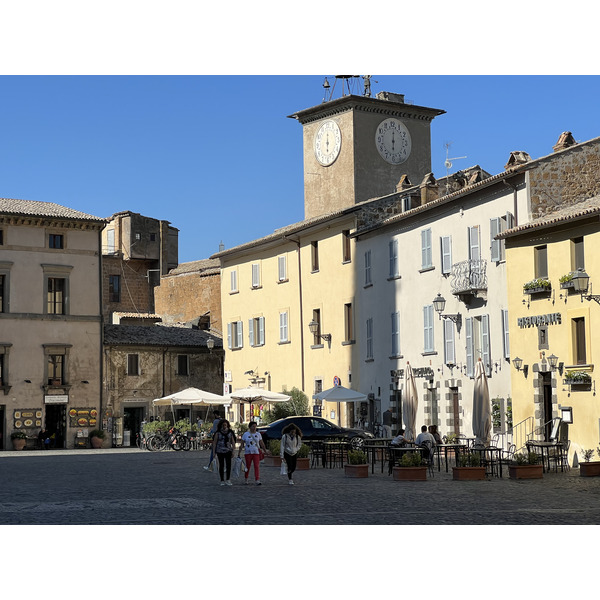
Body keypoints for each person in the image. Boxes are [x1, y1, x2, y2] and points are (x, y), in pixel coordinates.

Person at [240, 421, 267, 485]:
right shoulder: (245, 434)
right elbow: (241, 444)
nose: (254, 428)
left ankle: (257, 479)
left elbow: (261, 443)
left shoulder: (258, 434)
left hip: (256, 452)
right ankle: (246, 478)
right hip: (248, 452)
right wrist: (239, 452)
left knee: (256, 466)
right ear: (250, 427)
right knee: (248, 466)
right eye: (253, 426)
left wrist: (265, 450)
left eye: (255, 426)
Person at [212, 419, 236, 486]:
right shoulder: (218, 433)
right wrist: (214, 452)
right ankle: (222, 480)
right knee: (221, 465)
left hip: (228, 450)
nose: (224, 426)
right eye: (223, 425)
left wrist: (233, 451)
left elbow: (233, 442)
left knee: (228, 465)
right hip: (220, 450)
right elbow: (214, 443)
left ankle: (228, 479)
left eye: (225, 425)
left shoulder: (230, 432)